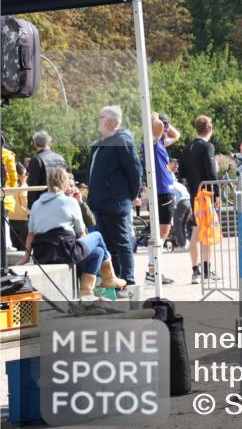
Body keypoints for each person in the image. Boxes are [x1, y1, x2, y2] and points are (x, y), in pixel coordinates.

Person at [17, 168, 126, 298]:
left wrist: (25, 258)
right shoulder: (70, 202)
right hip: (65, 252)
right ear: (64, 183)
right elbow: (81, 234)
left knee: (99, 252)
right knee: (97, 236)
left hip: (42, 255)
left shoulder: (36, 205)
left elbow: (31, 234)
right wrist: (85, 250)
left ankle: (86, 293)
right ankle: (109, 278)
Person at [86, 105, 143, 289]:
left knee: (122, 243)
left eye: (100, 117)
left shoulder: (122, 141)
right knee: (108, 247)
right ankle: (115, 282)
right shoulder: (101, 143)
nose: (98, 120)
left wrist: (132, 195)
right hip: (100, 203)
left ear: (109, 121)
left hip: (115, 202)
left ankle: (129, 281)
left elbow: (135, 170)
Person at [180, 115, 219, 283]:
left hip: (193, 194)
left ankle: (195, 271)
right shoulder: (207, 147)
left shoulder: (187, 147)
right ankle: (206, 270)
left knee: (196, 232)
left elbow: (181, 173)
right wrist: (217, 193)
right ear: (209, 129)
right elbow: (211, 172)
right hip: (206, 195)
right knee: (207, 233)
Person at [143, 113, 180, 284]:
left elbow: (177, 135)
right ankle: (153, 270)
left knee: (159, 233)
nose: (166, 129)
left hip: (163, 191)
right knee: (161, 233)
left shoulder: (159, 143)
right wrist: (155, 118)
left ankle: (154, 269)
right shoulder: (153, 141)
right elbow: (157, 128)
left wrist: (166, 124)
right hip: (162, 191)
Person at [26, 131, 67, 209]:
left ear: (35, 144)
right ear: (49, 143)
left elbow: (33, 186)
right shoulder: (61, 159)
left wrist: (30, 207)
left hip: (43, 204)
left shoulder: (36, 160)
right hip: (61, 203)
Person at [10, 163, 29, 250]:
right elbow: (25, 202)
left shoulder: (9, 185)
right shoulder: (24, 186)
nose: (27, 176)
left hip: (11, 218)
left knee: (14, 247)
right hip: (23, 220)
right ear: (20, 175)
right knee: (23, 249)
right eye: (25, 174)